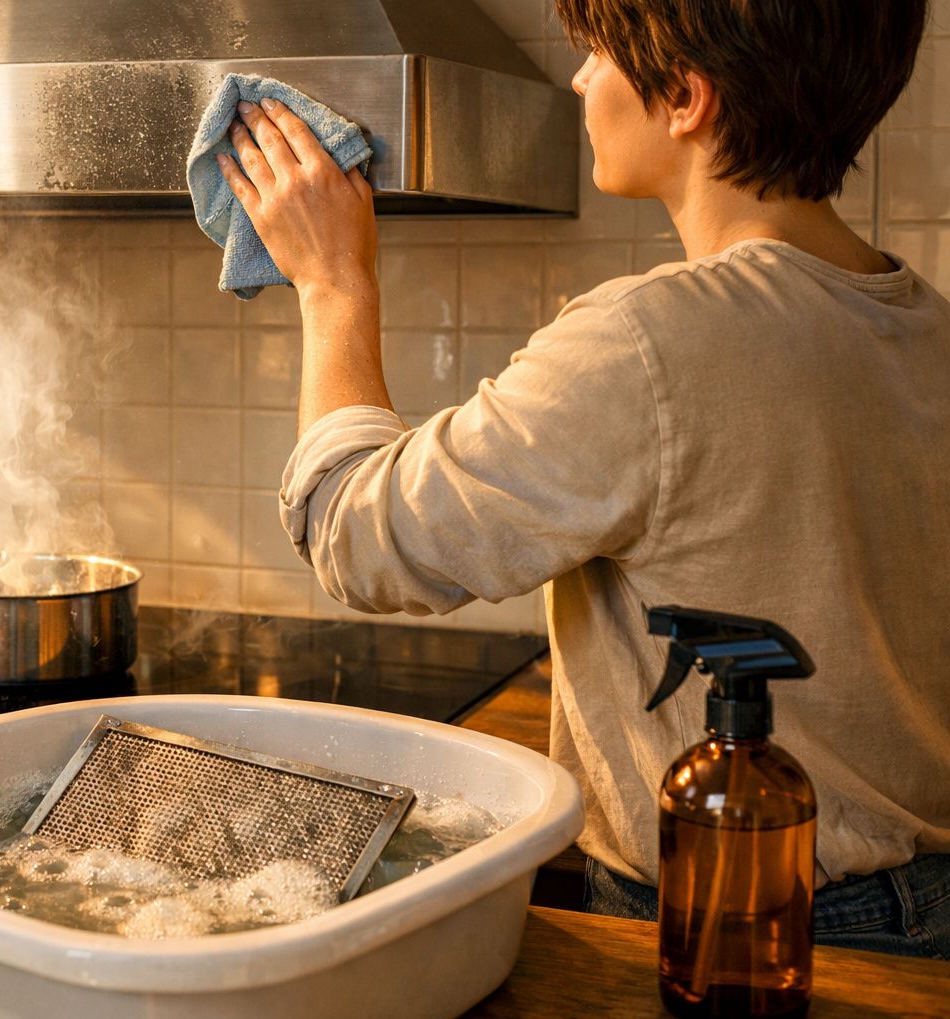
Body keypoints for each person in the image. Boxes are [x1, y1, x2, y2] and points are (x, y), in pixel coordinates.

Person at [217, 0, 950, 957]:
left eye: (596, 52)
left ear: (684, 96)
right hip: (922, 905)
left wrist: (332, 282)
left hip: (736, 919)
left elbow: (357, 536)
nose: (578, 80)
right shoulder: (925, 325)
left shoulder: (654, 340)